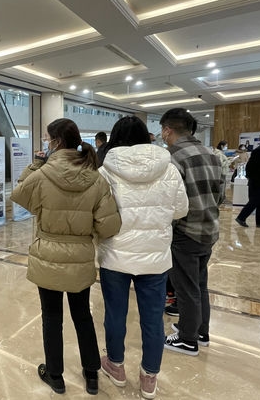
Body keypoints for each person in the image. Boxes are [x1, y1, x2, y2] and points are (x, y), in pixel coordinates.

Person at [10, 118, 121, 395]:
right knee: (82, 315)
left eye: (48, 139)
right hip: (80, 256)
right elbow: (109, 226)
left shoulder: (42, 174)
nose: (46, 143)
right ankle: (92, 375)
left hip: (48, 254)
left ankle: (55, 376)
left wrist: (36, 164)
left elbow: (20, 195)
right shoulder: (95, 177)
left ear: (56, 142)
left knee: (51, 317)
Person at [97, 116, 188, 399]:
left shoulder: (105, 171)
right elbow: (181, 209)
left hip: (115, 255)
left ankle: (116, 366)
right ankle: (149, 377)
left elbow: (97, 213)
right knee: (152, 318)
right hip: (155, 257)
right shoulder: (169, 169)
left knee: (115, 314)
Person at [160, 108, 223, 356]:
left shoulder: (173, 157)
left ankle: (187, 339)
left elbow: (171, 201)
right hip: (209, 229)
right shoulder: (212, 154)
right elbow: (220, 195)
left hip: (185, 231)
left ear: (168, 130)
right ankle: (200, 331)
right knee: (200, 284)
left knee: (186, 287)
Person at [235, 132, 260, 228]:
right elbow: (250, 166)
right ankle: (241, 217)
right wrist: (250, 177)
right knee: (255, 200)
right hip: (257, 181)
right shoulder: (258, 151)